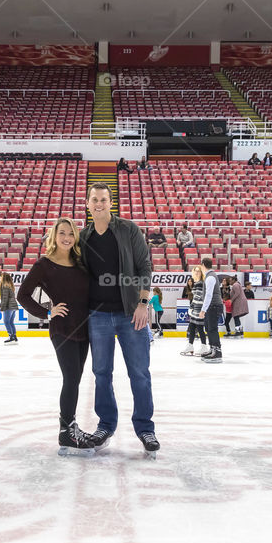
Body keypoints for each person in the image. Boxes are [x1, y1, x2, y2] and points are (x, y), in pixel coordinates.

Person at [80, 182, 159, 456]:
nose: (99, 204)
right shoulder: (83, 237)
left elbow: (145, 266)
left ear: (110, 203)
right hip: (97, 315)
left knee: (139, 373)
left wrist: (142, 303)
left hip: (130, 314)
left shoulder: (128, 229)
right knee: (101, 374)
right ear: (88, 204)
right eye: (94, 200)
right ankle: (106, 425)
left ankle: (145, 429)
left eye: (103, 199)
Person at [17, 217, 96, 456]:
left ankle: (71, 427)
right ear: (54, 235)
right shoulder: (44, 264)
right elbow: (23, 295)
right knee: (71, 378)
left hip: (85, 328)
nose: (67, 238)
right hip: (63, 328)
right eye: (62, 233)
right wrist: (47, 312)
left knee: (76, 378)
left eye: (71, 234)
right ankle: (66, 431)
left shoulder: (81, 262)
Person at [197, 258, 223, 363]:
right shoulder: (210, 276)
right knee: (209, 328)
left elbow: (209, 295)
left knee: (212, 329)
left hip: (213, 306)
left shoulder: (210, 277)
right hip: (212, 306)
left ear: (203, 265)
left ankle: (217, 351)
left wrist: (203, 310)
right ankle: (213, 348)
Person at [181, 265, 208, 356]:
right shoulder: (198, 282)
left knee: (199, 328)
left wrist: (191, 307)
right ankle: (190, 345)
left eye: (198, 271)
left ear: (201, 272)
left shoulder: (200, 283)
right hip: (196, 307)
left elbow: (198, 297)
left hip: (198, 308)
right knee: (192, 327)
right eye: (195, 271)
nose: (196, 272)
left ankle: (204, 346)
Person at [0, 272, 19, 345]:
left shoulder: (4, 286)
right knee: (11, 322)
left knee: (6, 321)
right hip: (13, 306)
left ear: (3, 278)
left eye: (1, 277)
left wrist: (2, 308)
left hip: (9, 306)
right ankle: (14, 336)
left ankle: (11, 336)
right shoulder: (10, 286)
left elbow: (5, 299)